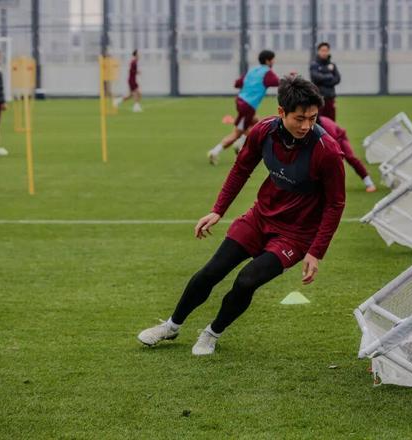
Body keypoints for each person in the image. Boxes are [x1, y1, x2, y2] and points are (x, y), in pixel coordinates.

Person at [138, 76, 346, 356]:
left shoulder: (327, 150)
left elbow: (336, 204)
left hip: (295, 235)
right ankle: (171, 326)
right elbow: (241, 169)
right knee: (211, 271)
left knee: (247, 280)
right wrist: (217, 210)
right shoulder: (263, 132)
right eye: (299, 119)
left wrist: (316, 251)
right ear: (281, 112)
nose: (306, 126)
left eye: (312, 118)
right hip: (260, 217)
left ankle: (212, 333)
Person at [207, 50, 280, 165]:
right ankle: (215, 151)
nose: (274, 61)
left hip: (241, 102)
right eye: (273, 59)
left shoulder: (253, 70)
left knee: (257, 123)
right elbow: (277, 82)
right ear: (268, 61)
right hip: (248, 106)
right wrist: (291, 79)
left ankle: (240, 144)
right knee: (238, 133)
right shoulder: (267, 72)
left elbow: (237, 83)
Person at [317, 116, 376, 192]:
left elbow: (333, 147)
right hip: (328, 142)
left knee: (350, 158)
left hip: (339, 139)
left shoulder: (327, 128)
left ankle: (369, 183)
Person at [310, 42, 340, 121]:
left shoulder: (332, 65)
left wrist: (324, 80)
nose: (324, 53)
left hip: (330, 98)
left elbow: (337, 79)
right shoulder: (314, 65)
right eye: (322, 50)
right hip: (319, 99)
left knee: (331, 122)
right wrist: (329, 76)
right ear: (318, 51)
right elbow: (316, 78)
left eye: (326, 50)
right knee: (318, 122)